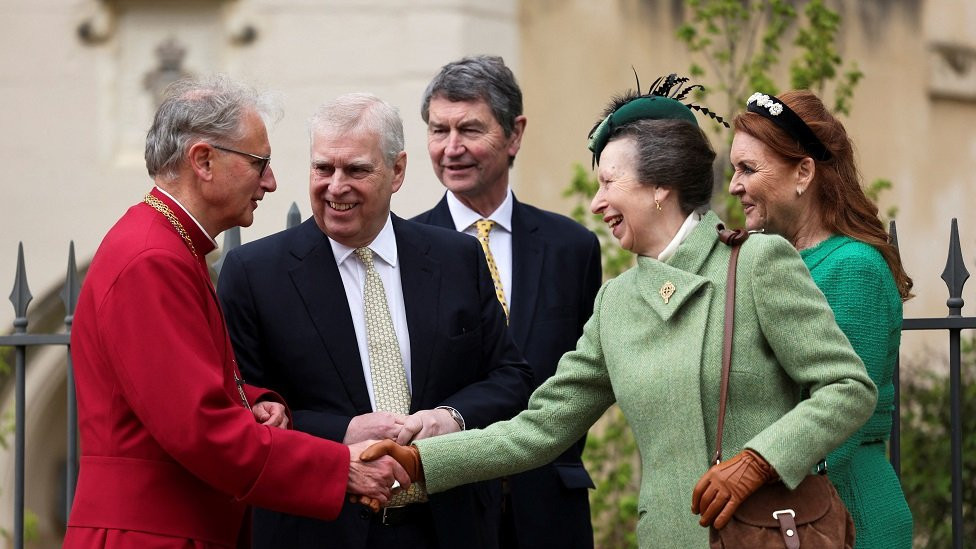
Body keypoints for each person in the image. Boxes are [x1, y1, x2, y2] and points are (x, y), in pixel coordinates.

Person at [359, 75, 879, 548]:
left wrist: (760, 461)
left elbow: (847, 388)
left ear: (659, 188)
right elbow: (539, 428)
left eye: (609, 183)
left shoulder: (758, 263)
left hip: (765, 534)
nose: (595, 203)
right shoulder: (617, 304)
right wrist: (423, 461)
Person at [64, 76, 409, 549]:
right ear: (203, 161)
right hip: (151, 531)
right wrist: (339, 469)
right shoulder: (152, 259)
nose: (270, 182)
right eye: (259, 163)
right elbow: (198, 428)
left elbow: (177, 387)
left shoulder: (167, 245)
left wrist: (255, 402)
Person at [216, 92, 533, 549]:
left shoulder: (456, 259)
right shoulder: (254, 274)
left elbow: (510, 377)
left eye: (357, 170)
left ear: (398, 171)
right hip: (319, 532)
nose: (336, 186)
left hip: (448, 528)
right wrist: (342, 432)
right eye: (323, 168)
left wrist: (451, 417)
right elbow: (242, 411)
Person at [412, 55, 602, 549]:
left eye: (470, 129)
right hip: (443, 508)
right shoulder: (402, 250)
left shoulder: (572, 248)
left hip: (549, 511)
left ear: (514, 134)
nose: (451, 148)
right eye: (439, 130)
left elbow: (584, 378)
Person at [729, 89, 914, 548]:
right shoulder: (771, 261)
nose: (733, 185)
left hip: (847, 515)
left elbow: (841, 421)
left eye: (748, 169)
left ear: (803, 172)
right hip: (790, 511)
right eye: (735, 169)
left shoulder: (854, 268)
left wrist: (753, 473)